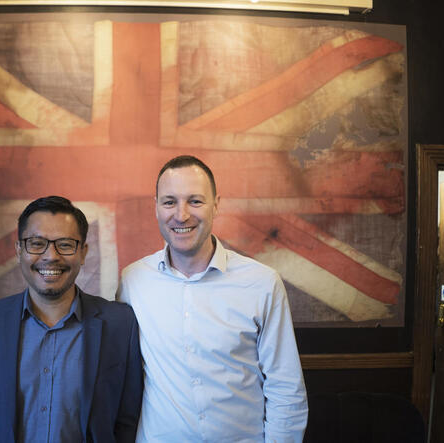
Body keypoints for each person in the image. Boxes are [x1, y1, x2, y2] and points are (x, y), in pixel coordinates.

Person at [118, 155, 308, 442]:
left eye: (195, 201)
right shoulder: (133, 281)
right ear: (155, 207)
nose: (181, 215)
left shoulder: (262, 283)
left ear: (216, 204)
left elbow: (286, 389)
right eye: (170, 202)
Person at [0, 196, 143, 443]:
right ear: (19, 250)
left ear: (83, 253)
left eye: (65, 244)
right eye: (37, 243)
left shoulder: (120, 323)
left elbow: (127, 423)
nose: (51, 256)